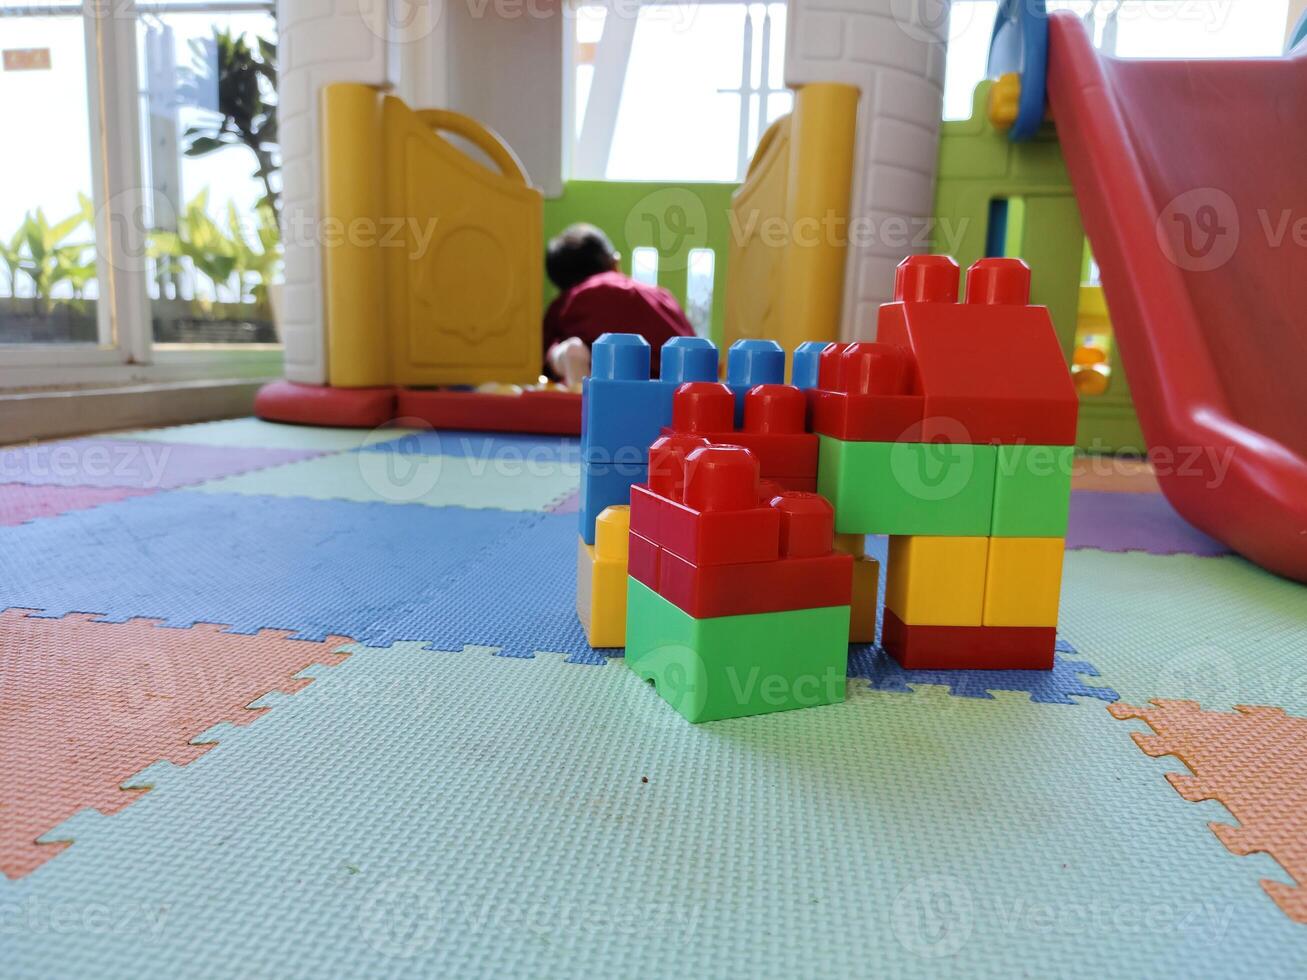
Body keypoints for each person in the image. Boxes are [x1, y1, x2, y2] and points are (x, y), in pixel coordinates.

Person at [543, 224, 694, 384]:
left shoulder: (565, 306)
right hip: (685, 398)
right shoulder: (663, 298)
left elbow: (543, 358)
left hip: (614, 400)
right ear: (615, 262)